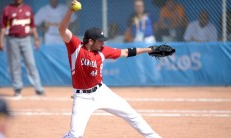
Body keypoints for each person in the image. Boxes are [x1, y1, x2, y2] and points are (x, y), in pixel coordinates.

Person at [59, 1, 162, 138]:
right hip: (82, 97)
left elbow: (126, 52)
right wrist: (70, 12)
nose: (103, 42)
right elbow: (62, 30)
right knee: (75, 135)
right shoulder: (76, 47)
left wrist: (149, 49)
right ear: (90, 41)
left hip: (101, 92)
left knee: (131, 114)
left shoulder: (103, 50)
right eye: (100, 40)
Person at [0, 0, 44, 97]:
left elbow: (32, 26)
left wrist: (36, 38)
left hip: (26, 39)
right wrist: (1, 40)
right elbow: (3, 27)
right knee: (15, 64)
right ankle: (17, 88)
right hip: (12, 39)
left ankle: (38, 88)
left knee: (31, 63)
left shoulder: (27, 9)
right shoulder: (7, 9)